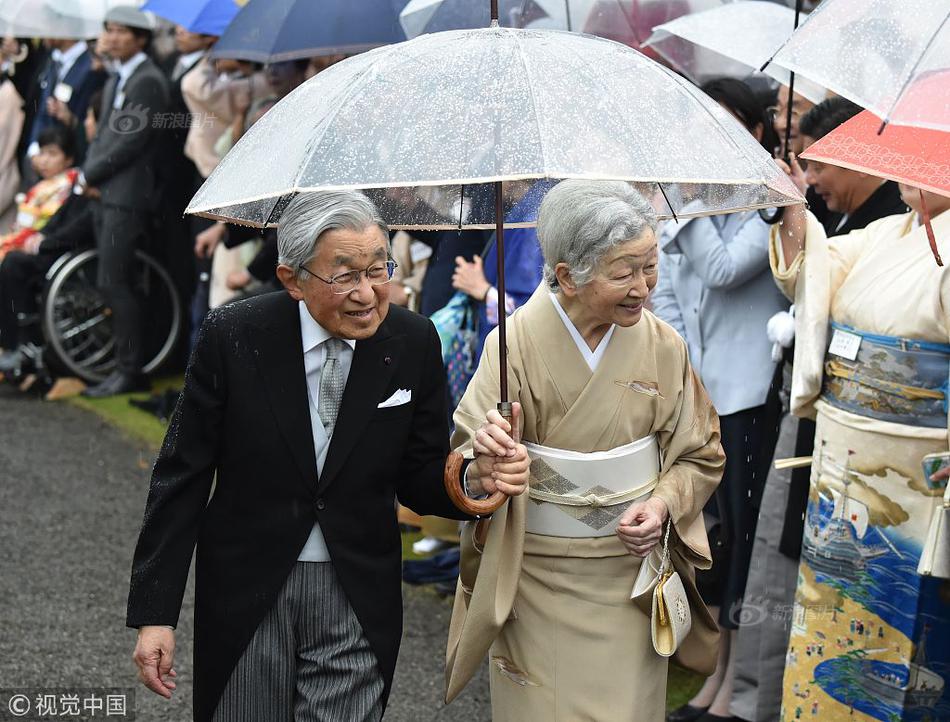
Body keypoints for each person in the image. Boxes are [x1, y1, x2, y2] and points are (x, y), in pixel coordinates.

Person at [127, 190, 530, 722]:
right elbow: (183, 476)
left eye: (378, 269)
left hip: (357, 587)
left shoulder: (411, 340)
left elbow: (419, 475)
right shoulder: (235, 336)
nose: (367, 294)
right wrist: (157, 614)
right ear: (292, 279)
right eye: (344, 276)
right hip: (249, 588)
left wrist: (475, 475)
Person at [445, 179, 724, 721]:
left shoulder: (664, 344)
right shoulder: (512, 347)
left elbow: (701, 452)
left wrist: (664, 503)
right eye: (623, 272)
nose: (643, 287)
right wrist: (490, 464)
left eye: (650, 266)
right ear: (567, 276)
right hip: (535, 577)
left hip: (629, 573)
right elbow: (467, 469)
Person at [771, 182, 950, 721]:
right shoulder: (884, 233)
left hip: (918, 473)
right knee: (827, 614)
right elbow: (813, 269)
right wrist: (791, 209)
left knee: (910, 626)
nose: (902, 181)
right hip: (842, 453)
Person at [654, 78, 789, 722]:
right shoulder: (698, 203)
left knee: (740, 538)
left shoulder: (768, 199)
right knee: (713, 536)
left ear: (756, 130)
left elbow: (726, 270)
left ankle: (737, 678)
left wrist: (689, 211)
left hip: (751, 393)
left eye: (726, 120)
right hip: (704, 391)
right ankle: (716, 673)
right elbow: (668, 292)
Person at [76, 6, 170, 397]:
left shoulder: (148, 80)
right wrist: (90, 176)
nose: (110, 38)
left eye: (120, 32)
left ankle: (130, 370)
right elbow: (103, 138)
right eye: (108, 30)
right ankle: (122, 365)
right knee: (111, 282)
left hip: (129, 199)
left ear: (141, 39)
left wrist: (89, 175)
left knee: (116, 283)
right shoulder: (118, 78)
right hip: (107, 195)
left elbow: (130, 142)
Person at [0, 126, 78, 260]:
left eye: (52, 154)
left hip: (38, 245)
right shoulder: (43, 184)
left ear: (69, 159)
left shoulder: (68, 186)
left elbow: (43, 224)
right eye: (42, 153)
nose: (44, 160)